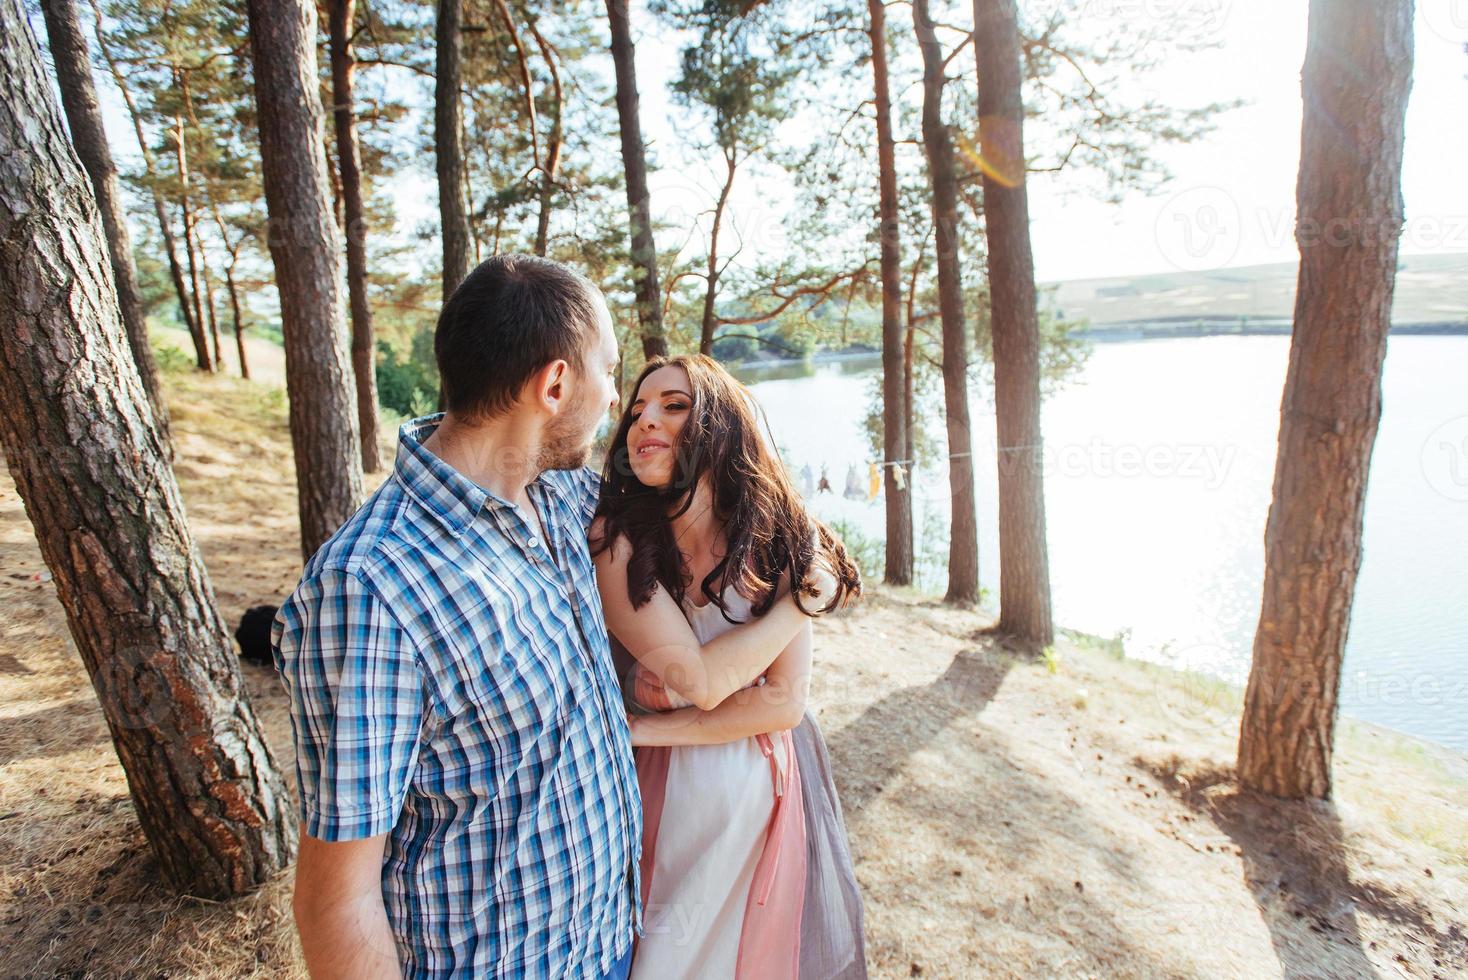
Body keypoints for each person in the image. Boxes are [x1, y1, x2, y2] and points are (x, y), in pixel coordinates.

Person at [273, 256, 791, 979]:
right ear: (555, 384)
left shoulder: (569, 499)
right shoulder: (371, 588)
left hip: (612, 943)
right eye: (609, 374)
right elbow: (336, 900)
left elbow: (704, 502)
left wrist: (796, 552)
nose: (617, 398)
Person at [591, 354, 869, 979]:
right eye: (637, 410)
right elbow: (703, 683)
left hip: (756, 797)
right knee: (657, 957)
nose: (644, 422)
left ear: (720, 426)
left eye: (673, 406)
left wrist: (648, 729)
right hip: (653, 792)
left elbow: (781, 704)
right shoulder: (617, 537)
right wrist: (803, 604)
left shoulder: (778, 535)